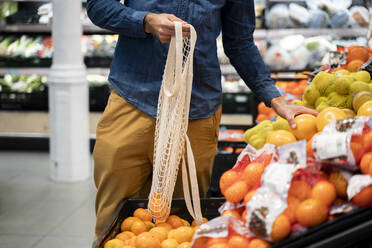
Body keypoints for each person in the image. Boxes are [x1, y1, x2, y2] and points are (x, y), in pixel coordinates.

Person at [86, 0, 317, 238]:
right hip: (132, 100)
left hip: (196, 112)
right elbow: (98, 6)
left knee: (179, 224)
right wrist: (145, 21)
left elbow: (240, 41)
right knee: (113, 221)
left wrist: (274, 98)